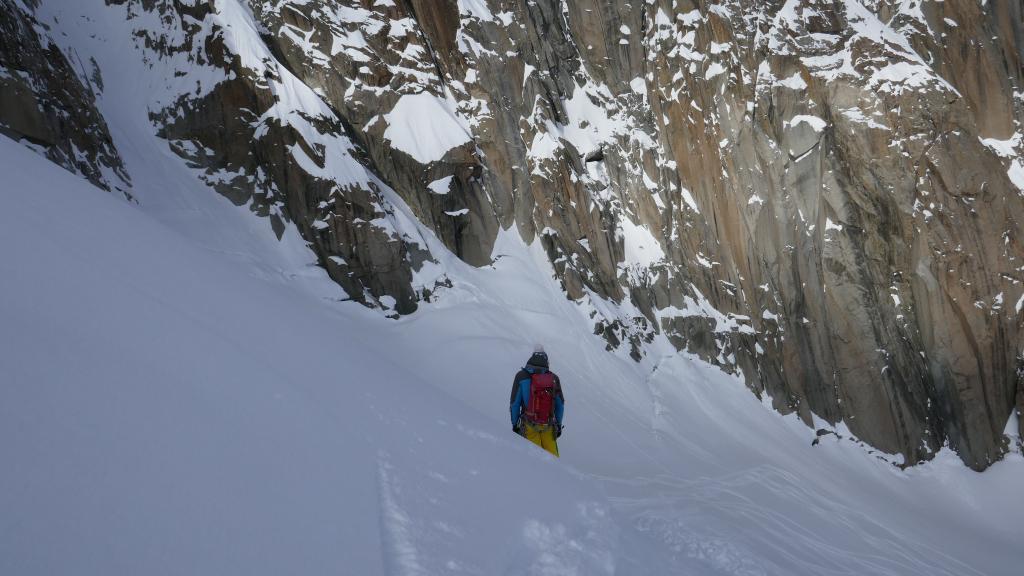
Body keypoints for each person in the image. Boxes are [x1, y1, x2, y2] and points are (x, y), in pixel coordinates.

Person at [510, 345, 564, 457]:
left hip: (529, 425)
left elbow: (514, 404)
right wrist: (558, 425)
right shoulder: (554, 378)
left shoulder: (521, 376)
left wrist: (515, 424)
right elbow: (560, 405)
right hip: (548, 426)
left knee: (534, 460)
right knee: (554, 463)